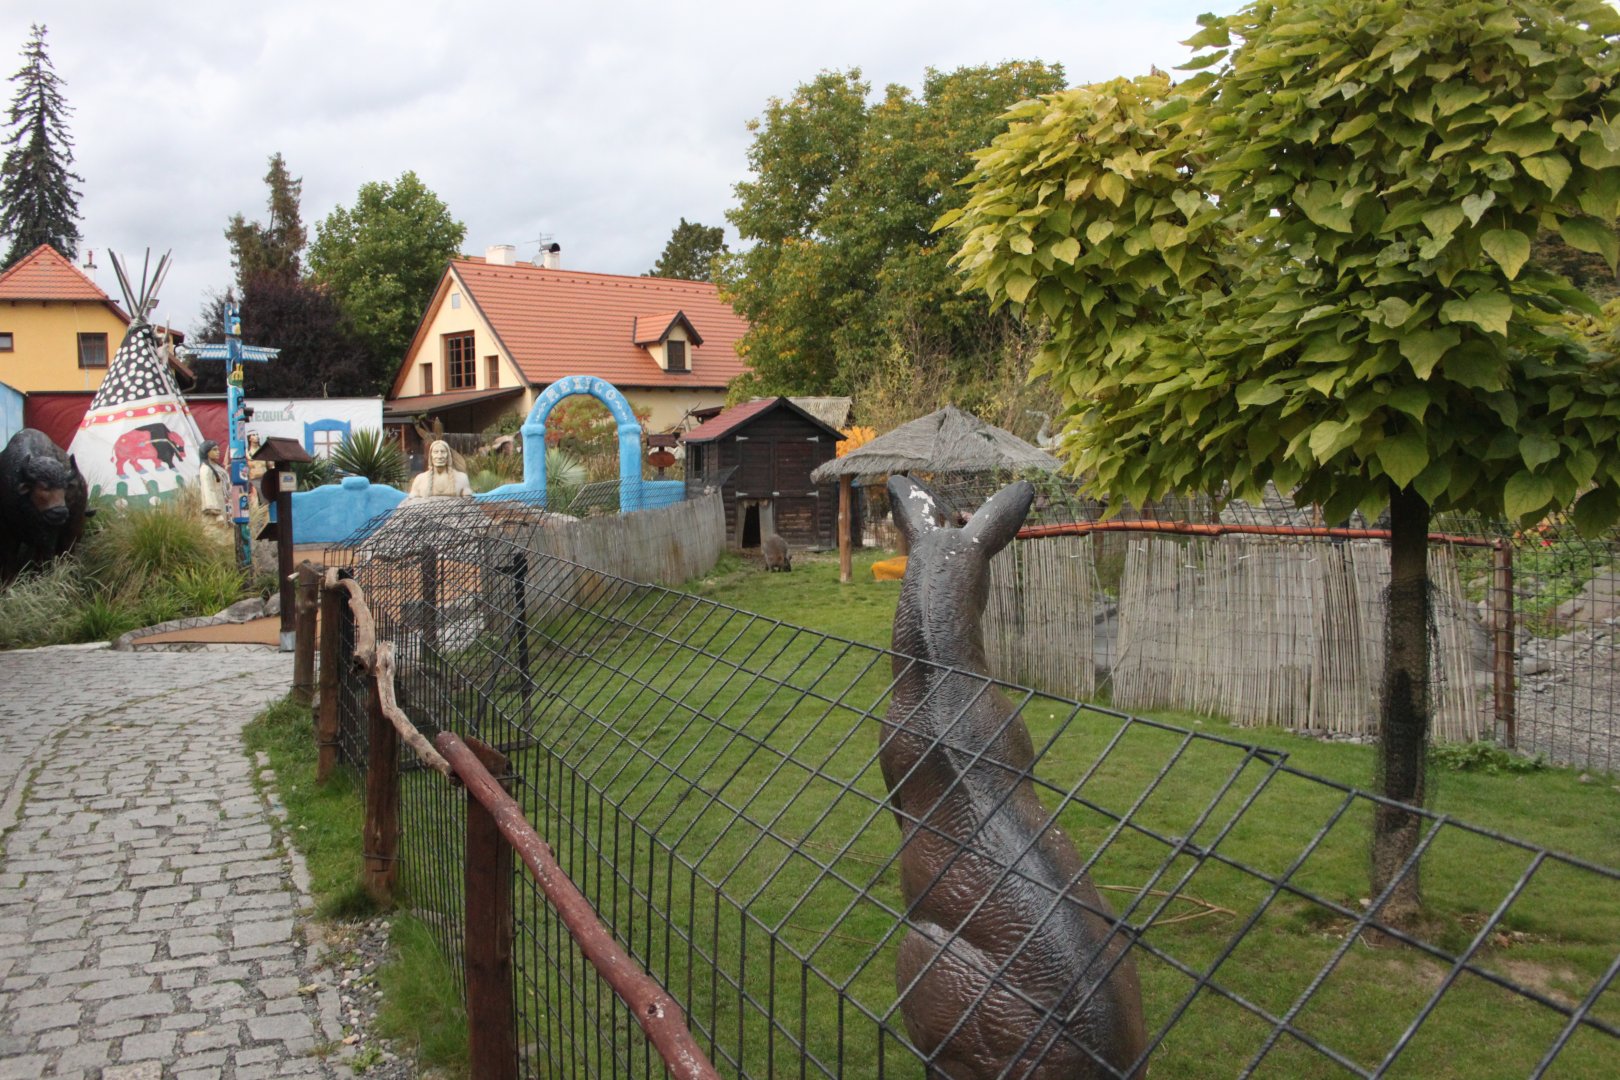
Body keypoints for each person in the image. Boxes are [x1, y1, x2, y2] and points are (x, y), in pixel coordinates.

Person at [408, 439, 473, 500]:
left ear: (448, 456)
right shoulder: (420, 479)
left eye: (443, 452)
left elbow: (469, 504)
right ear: (431, 456)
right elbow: (411, 504)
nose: (439, 456)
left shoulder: (462, 478)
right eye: (436, 452)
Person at [197, 440, 230, 530]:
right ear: (206, 452)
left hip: (222, 505)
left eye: (218, 449)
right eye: (214, 450)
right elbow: (208, 491)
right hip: (213, 513)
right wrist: (217, 514)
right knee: (216, 534)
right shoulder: (206, 469)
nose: (218, 452)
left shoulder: (216, 467)